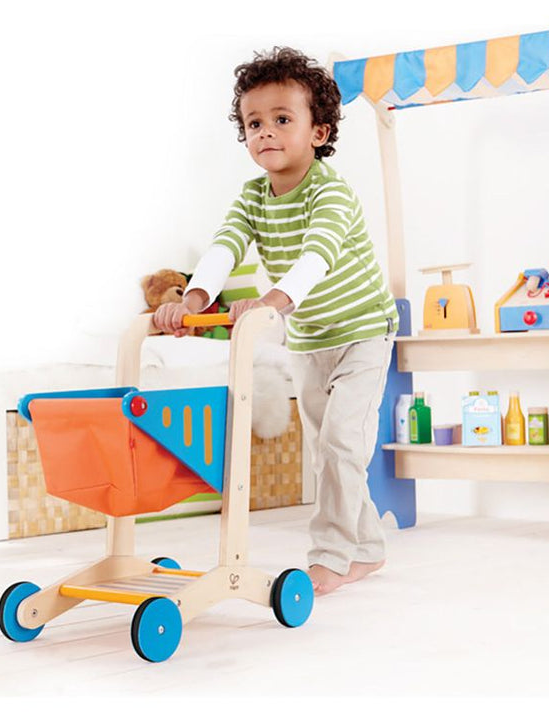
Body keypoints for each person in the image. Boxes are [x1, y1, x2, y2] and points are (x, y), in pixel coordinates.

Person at [153, 47, 399, 596]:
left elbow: (317, 255)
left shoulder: (330, 193)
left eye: (283, 119)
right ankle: (368, 548)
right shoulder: (252, 197)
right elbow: (225, 246)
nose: (265, 131)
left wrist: (271, 302)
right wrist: (193, 300)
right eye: (254, 123)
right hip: (310, 340)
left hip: (362, 332)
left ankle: (332, 555)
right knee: (328, 449)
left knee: (342, 444)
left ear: (319, 132)